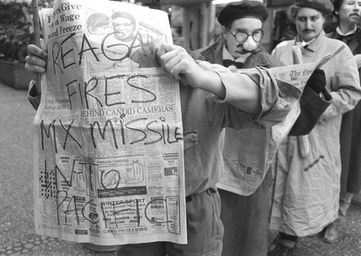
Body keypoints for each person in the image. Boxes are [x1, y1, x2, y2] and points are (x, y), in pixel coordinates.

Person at [25, 37, 302, 255]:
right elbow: (69, 122)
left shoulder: (198, 77)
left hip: (195, 211)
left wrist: (203, 77)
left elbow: (279, 102)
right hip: (136, 211)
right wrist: (50, 78)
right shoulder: (113, 82)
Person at [268, 0, 361, 254]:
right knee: (283, 184)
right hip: (284, 133)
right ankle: (285, 231)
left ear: (324, 20)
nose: (307, 24)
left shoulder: (337, 50)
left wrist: (315, 109)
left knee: (308, 186)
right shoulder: (282, 50)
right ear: (295, 20)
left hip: (317, 135)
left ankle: (294, 234)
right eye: (302, 19)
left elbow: (351, 93)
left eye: (314, 19)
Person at [192, 2, 281, 255]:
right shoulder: (198, 60)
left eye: (256, 34)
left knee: (246, 231)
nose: (250, 41)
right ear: (225, 32)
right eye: (241, 33)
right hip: (208, 155)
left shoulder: (272, 65)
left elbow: (284, 114)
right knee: (206, 227)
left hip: (250, 159)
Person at [323, 0, 361, 243]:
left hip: (357, 107)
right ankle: (317, 210)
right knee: (324, 155)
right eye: (351, 2)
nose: (357, 7)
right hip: (328, 104)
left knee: (351, 157)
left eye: (360, 3)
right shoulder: (324, 38)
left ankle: (337, 215)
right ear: (337, 10)